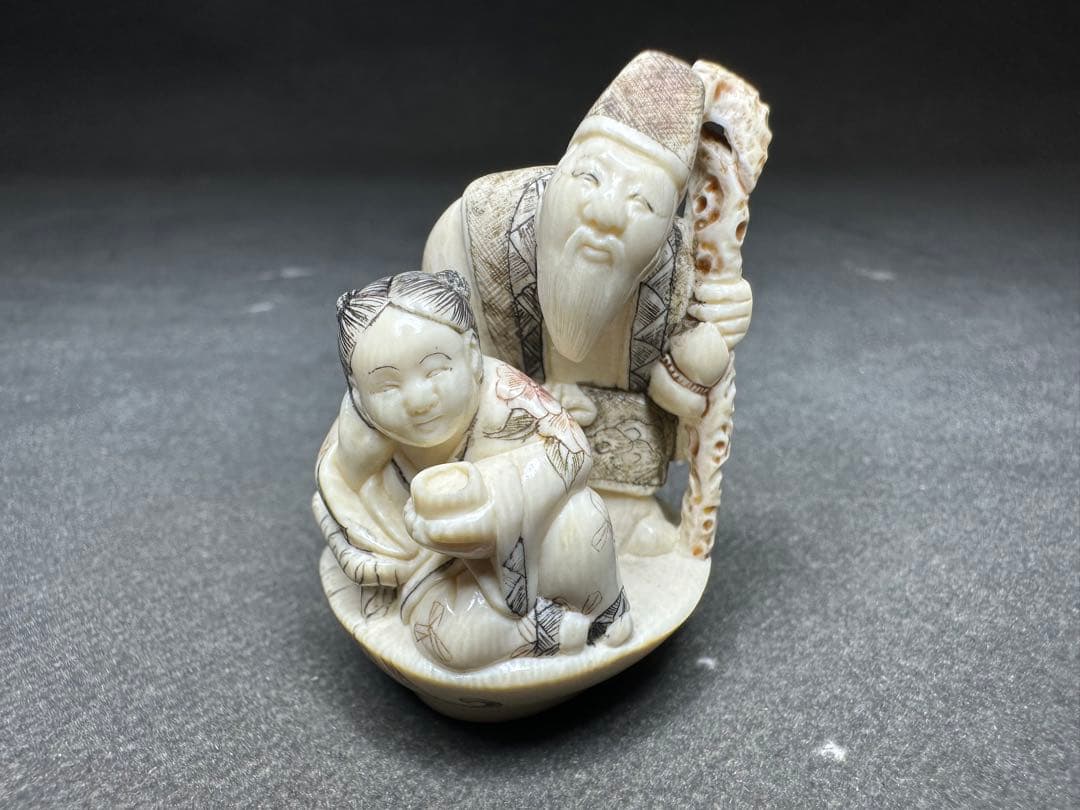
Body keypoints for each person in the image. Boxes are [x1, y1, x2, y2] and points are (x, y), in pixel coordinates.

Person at [421, 51, 753, 555]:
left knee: (610, 527)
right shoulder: (475, 225)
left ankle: (608, 521)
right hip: (494, 450)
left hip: (610, 466)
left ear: (667, 221)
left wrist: (716, 334)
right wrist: (535, 405)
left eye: (642, 203)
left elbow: (681, 401)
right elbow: (439, 363)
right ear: (562, 170)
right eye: (589, 179)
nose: (606, 214)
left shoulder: (682, 266)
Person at [315, 270, 630, 670]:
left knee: (583, 520)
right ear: (358, 394)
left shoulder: (504, 393)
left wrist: (494, 498)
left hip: (535, 539)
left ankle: (603, 610)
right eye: (387, 387)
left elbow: (572, 449)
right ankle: (546, 632)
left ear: (471, 354)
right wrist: (375, 555)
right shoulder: (356, 443)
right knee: (445, 638)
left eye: (436, 370)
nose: (419, 400)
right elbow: (337, 500)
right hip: (440, 573)